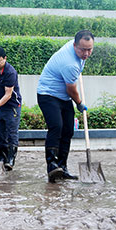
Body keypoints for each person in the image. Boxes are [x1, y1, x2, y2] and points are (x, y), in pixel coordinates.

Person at [36, 30, 94, 183]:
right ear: (74, 45)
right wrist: (80, 103)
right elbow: (71, 89)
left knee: (68, 130)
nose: (86, 53)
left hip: (62, 97)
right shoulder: (70, 63)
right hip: (47, 94)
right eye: (83, 49)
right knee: (57, 126)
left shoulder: (78, 54)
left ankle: (63, 167)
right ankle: (52, 165)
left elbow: (70, 87)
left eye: (89, 49)